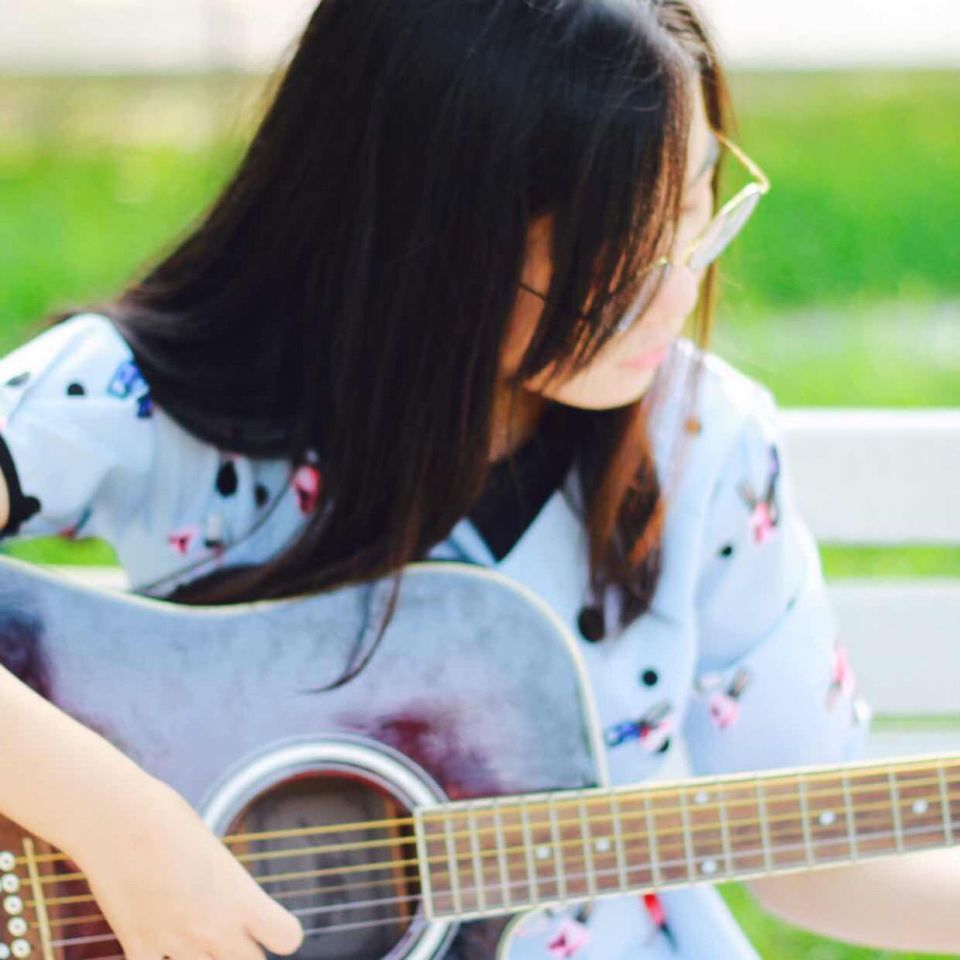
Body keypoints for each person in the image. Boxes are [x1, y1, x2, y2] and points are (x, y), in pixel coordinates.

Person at [2, 1, 959, 957]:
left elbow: (816, 860)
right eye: (615, 265)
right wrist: (119, 825)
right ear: (426, 239)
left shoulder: (706, 443)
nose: (676, 295)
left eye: (698, 210)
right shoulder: (153, 398)